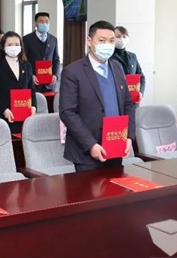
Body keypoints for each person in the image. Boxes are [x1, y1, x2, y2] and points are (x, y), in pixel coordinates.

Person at [59, 20, 136, 171]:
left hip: (116, 145)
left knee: (116, 185)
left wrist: (129, 136)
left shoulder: (117, 67)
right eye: (102, 40)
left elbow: (128, 104)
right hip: (86, 152)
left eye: (111, 41)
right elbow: (67, 112)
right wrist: (91, 144)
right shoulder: (72, 72)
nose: (107, 45)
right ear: (89, 41)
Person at [0, 31, 37, 134]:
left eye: (17, 44)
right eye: (10, 45)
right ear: (3, 47)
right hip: (6, 117)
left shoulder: (27, 65)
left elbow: (31, 89)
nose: (14, 47)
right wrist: (4, 110)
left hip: (25, 118)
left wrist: (34, 107)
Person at [22, 12, 60, 92]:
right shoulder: (27, 39)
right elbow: (23, 60)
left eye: (47, 21)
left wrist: (55, 75)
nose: (44, 24)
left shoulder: (53, 39)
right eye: (41, 21)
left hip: (49, 83)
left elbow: (56, 59)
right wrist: (30, 75)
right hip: (33, 82)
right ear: (35, 23)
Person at [111, 26, 146, 101]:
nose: (121, 39)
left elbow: (141, 77)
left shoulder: (133, 56)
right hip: (116, 99)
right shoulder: (108, 57)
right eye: (118, 37)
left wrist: (140, 92)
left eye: (124, 36)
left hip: (132, 100)